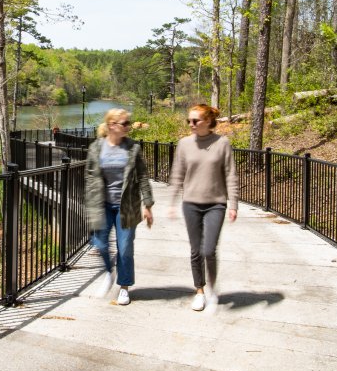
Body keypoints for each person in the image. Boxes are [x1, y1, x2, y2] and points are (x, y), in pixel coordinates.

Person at [170, 104, 239, 311]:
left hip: (216, 204)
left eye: (195, 121)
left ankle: (213, 289)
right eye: (188, 121)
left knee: (208, 249)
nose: (191, 124)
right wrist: (172, 201)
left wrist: (233, 204)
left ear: (208, 121)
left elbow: (230, 174)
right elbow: (177, 173)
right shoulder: (184, 144)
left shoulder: (222, 143)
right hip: (190, 203)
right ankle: (199, 290)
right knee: (195, 251)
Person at [85, 108, 154, 305]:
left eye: (128, 123)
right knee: (100, 243)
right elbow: (90, 177)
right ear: (111, 126)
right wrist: (90, 203)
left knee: (124, 248)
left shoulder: (133, 148)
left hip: (127, 206)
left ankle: (124, 286)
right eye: (124, 123)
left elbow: (142, 176)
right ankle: (109, 272)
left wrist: (148, 204)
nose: (128, 126)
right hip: (102, 204)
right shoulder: (96, 148)